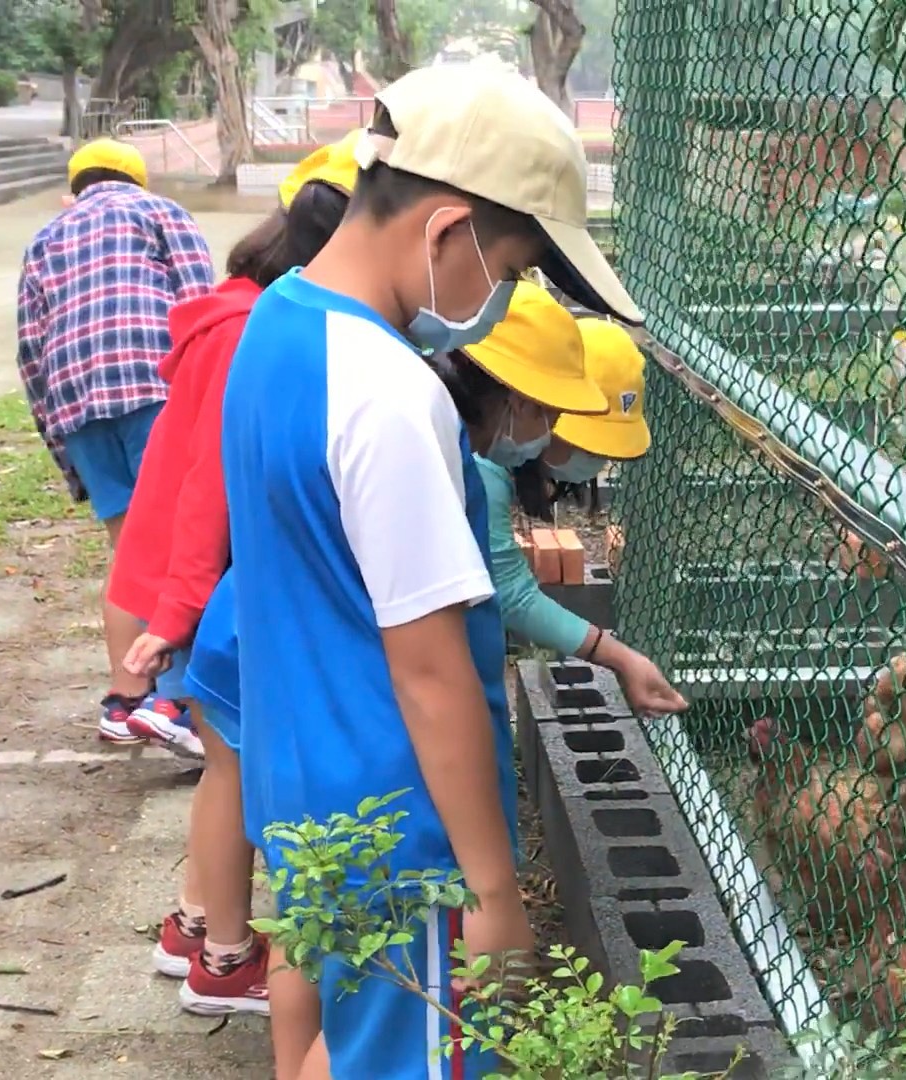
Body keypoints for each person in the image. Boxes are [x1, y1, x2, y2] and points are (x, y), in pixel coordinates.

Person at [220, 65, 638, 1079]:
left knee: (357, 1040)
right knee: (413, 1055)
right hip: (398, 818)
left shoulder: (275, 326)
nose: (510, 298)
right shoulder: (392, 395)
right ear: (447, 230)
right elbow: (430, 666)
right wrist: (494, 893)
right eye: (517, 267)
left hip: (303, 778)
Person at [111, 134, 359, 1053]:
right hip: (222, 603)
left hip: (214, 598)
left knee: (226, 771)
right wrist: (174, 616)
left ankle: (193, 925)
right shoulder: (265, 334)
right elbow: (212, 491)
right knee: (234, 774)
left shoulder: (246, 317)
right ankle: (222, 957)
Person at [15, 137, 216, 748]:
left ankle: (124, 700)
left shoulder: (45, 238)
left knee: (129, 553)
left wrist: (63, 447)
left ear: (74, 187)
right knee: (187, 543)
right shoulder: (161, 214)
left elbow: (30, 345)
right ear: (139, 180)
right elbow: (199, 302)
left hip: (74, 400)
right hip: (153, 386)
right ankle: (178, 701)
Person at [467, 316, 687, 715]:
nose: (596, 462)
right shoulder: (483, 466)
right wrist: (619, 656)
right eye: (590, 447)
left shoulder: (495, 454)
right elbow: (512, 595)